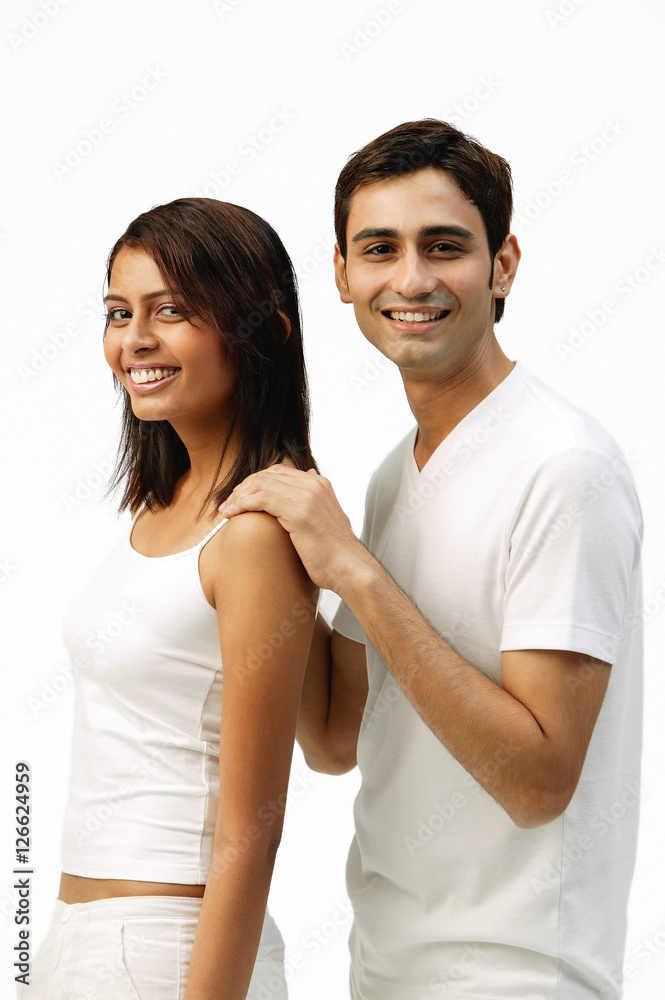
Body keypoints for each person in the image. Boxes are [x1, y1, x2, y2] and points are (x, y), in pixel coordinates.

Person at [219, 120, 644, 1000]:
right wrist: (265, 544)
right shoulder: (392, 477)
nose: (410, 279)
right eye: (379, 249)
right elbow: (334, 736)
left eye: (444, 246)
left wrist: (353, 571)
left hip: (515, 980)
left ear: (503, 265)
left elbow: (536, 782)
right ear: (342, 274)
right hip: (384, 972)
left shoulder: (562, 467)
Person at [24, 198, 317, 999]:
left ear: (260, 333)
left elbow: (252, 829)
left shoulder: (253, 533)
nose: (135, 339)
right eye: (120, 312)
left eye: (172, 310)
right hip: (84, 939)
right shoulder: (163, 506)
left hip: (165, 949)